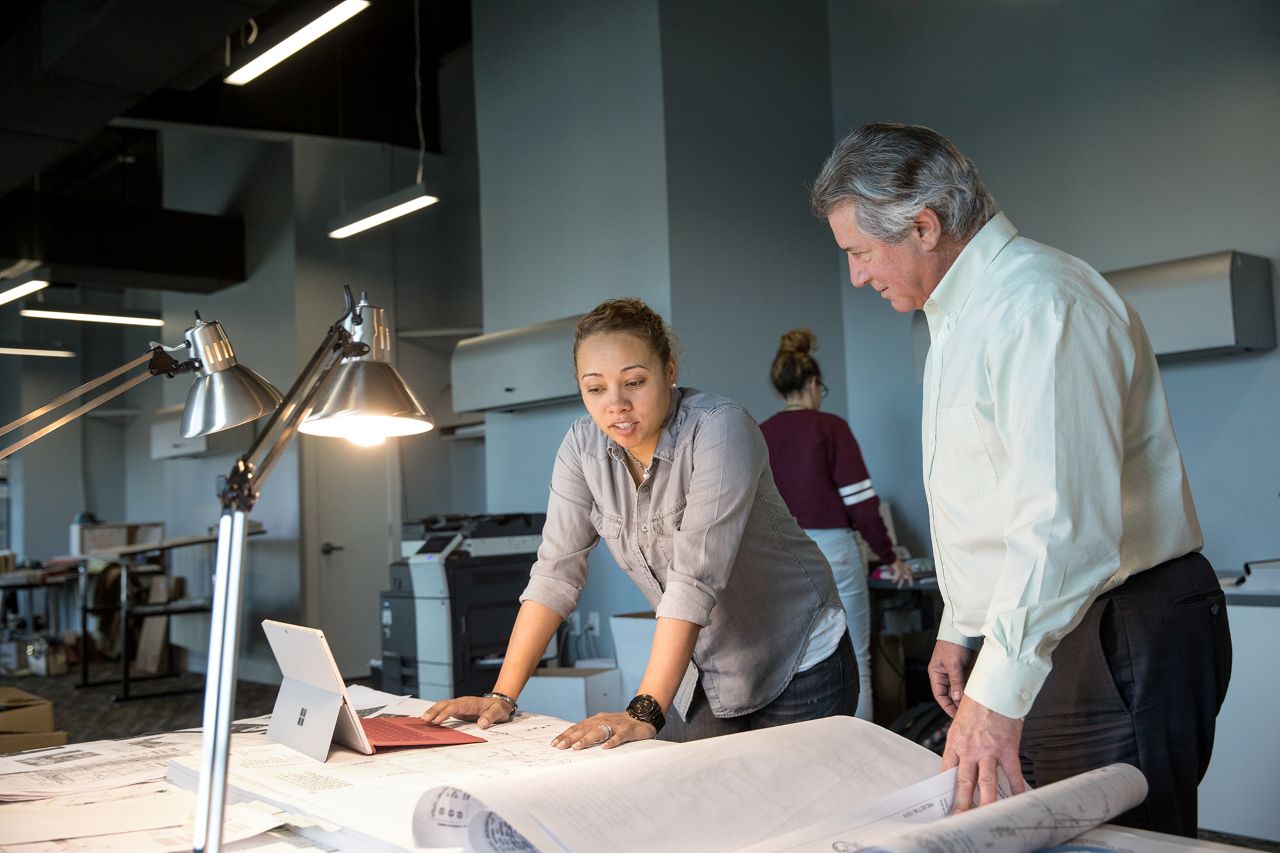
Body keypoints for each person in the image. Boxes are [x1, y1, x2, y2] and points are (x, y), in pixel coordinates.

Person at [809, 122, 1231, 836]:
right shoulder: (960, 318)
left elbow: (1062, 526)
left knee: (1112, 840)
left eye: (858, 252)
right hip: (1061, 623)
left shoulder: (1038, 305)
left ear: (922, 225)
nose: (856, 276)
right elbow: (992, 499)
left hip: (1114, 627)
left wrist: (996, 696)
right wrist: (959, 625)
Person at [422, 298, 855, 746]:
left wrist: (644, 710)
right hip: (701, 668)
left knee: (793, 811)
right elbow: (555, 574)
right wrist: (501, 696)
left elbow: (694, 579)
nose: (617, 405)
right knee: (700, 808)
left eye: (634, 382)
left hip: (795, 658)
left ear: (669, 371)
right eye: (596, 388)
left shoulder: (720, 429)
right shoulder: (581, 448)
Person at [759, 328, 914, 722]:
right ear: (813, 384)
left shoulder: (762, 433)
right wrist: (888, 556)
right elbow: (861, 501)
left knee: (795, 666)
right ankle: (863, 763)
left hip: (780, 558)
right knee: (855, 659)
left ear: (781, 390)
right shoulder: (830, 428)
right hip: (833, 552)